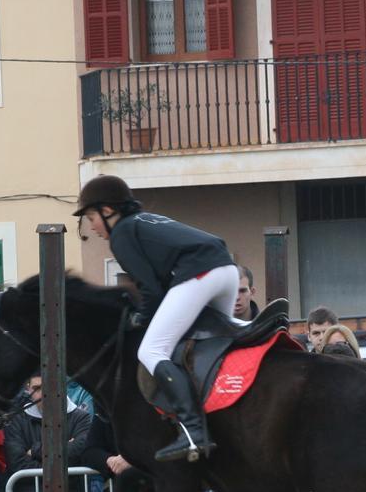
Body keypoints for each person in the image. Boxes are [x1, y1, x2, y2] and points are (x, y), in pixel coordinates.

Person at [73, 175, 247, 463]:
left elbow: (150, 290)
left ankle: (193, 431)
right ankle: (253, 329)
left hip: (200, 274)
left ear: (108, 210)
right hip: (226, 270)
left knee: (151, 350)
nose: (91, 226)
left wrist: (139, 322)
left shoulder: (122, 234)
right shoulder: (146, 220)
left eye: (92, 216)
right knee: (214, 341)